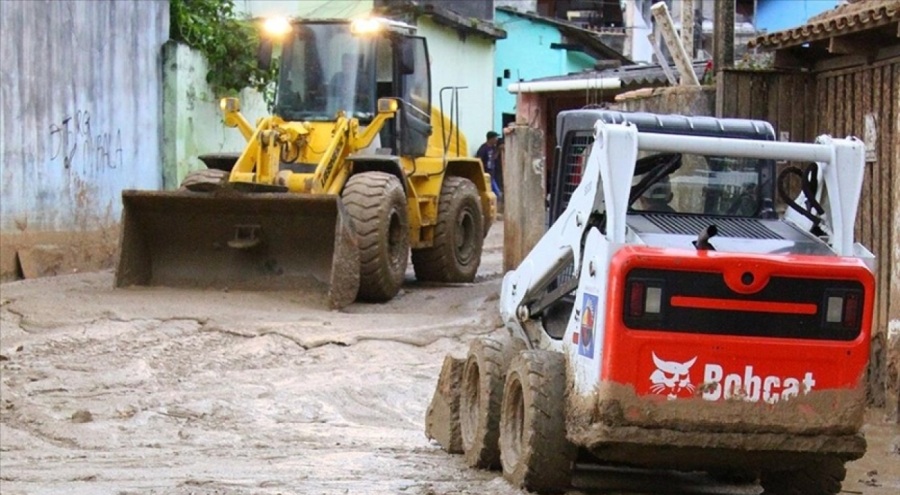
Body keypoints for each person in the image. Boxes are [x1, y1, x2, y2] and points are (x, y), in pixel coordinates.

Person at [476, 131, 501, 198]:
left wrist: (499, 150)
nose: (496, 139)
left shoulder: (493, 148)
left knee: (495, 194)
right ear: (491, 139)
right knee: (497, 194)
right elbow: (479, 160)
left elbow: (494, 157)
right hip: (486, 175)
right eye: (495, 138)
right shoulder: (483, 149)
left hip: (492, 174)